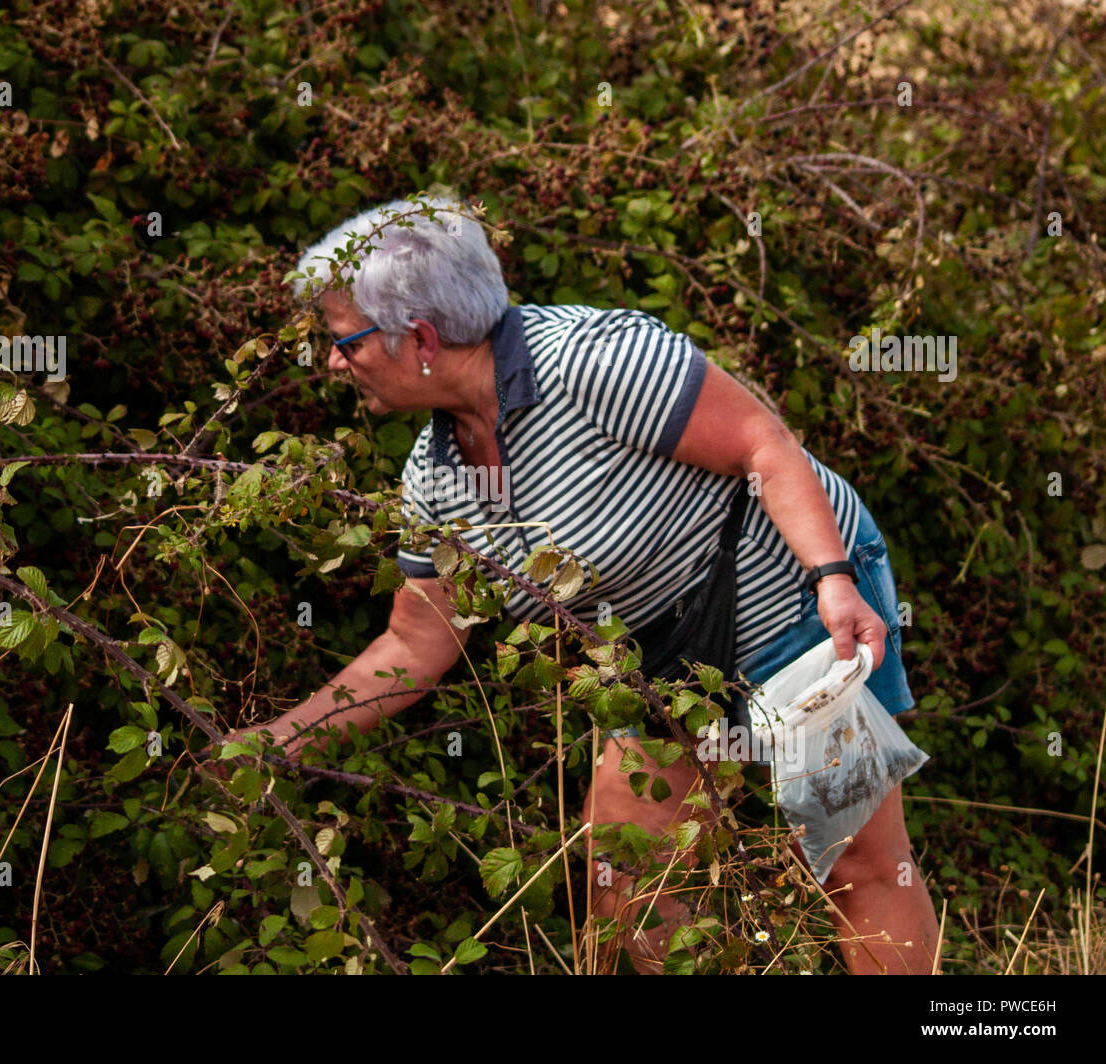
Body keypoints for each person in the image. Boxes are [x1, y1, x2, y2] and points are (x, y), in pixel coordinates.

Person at [216, 193, 940, 975]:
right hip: (663, 655)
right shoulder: (436, 480)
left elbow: (764, 445)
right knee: (628, 874)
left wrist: (834, 579)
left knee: (857, 859)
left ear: (420, 338)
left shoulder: (592, 360)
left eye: (343, 341)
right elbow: (415, 645)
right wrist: (274, 744)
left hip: (792, 589)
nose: (331, 362)